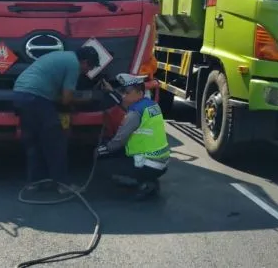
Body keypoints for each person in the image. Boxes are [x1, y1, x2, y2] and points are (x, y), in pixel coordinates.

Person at [12, 46, 101, 194]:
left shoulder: (62, 56)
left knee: (34, 142)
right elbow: (66, 99)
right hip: (36, 97)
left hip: (20, 94)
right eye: (89, 67)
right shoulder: (73, 64)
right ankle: (63, 185)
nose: (87, 71)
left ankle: (35, 182)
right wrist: (85, 100)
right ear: (84, 62)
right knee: (55, 142)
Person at [96, 73, 170, 200]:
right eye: (123, 92)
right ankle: (149, 179)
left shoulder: (134, 113)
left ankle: (145, 184)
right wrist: (111, 91)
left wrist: (100, 150)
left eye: (127, 92)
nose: (124, 95)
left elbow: (118, 142)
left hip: (149, 164)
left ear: (139, 92)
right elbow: (123, 103)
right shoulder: (150, 105)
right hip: (161, 162)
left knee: (104, 164)